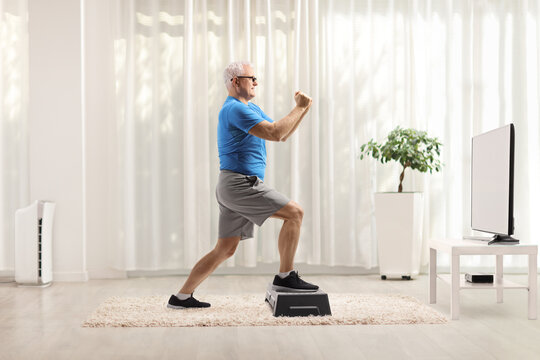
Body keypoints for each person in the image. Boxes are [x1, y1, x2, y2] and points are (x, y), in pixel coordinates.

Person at [168, 60, 317, 309]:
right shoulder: (235, 109)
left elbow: (283, 131)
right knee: (295, 213)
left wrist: (303, 109)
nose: (256, 82)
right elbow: (275, 133)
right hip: (240, 184)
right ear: (236, 81)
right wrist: (299, 107)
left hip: (230, 185)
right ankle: (285, 277)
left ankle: (181, 297)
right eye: (252, 78)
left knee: (225, 249)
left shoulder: (250, 107)